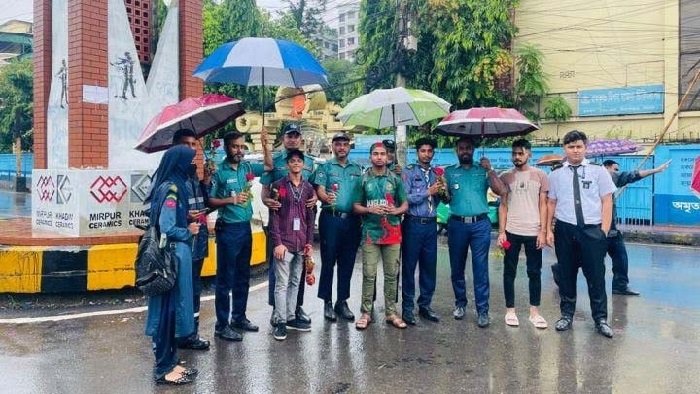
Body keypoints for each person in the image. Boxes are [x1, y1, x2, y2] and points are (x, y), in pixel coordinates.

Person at [546, 130, 617, 338]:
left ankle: (601, 319)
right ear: (564, 149)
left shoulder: (598, 171)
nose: (575, 150)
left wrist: (603, 231)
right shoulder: (556, 174)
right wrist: (549, 229)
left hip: (592, 231)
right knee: (566, 274)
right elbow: (551, 202)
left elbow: (607, 200)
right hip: (565, 230)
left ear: (585, 148)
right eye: (571, 147)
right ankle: (566, 315)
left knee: (596, 276)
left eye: (578, 146)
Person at [144, 145, 200, 385]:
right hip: (173, 258)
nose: (192, 165)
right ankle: (163, 368)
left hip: (172, 256)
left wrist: (185, 217)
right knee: (168, 311)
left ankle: (170, 361)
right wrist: (187, 230)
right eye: (189, 161)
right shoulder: (172, 189)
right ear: (179, 164)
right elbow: (166, 227)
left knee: (171, 308)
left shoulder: (166, 186)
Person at [208, 132, 267, 342]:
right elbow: (211, 200)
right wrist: (230, 200)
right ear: (226, 148)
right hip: (228, 230)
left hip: (245, 228)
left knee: (243, 277)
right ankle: (221, 325)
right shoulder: (219, 172)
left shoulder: (246, 168)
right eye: (235, 147)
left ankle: (239, 317)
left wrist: (265, 144)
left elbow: (269, 168)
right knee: (225, 280)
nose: (239, 151)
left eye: (242, 147)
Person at [444, 137, 507, 328]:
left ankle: (482, 310)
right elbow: (445, 198)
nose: (465, 151)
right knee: (457, 268)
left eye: (468, 148)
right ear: (456, 150)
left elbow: (501, 191)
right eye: (462, 148)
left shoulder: (482, 171)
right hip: (457, 224)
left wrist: (490, 169)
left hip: (480, 225)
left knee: (480, 269)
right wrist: (442, 190)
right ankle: (460, 304)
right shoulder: (449, 172)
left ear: (473, 150)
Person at [261, 123, 317, 326]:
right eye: (289, 136)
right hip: (281, 224)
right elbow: (265, 193)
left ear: (300, 138)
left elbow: (314, 189)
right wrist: (269, 201)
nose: (292, 139)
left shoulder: (309, 162)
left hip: (302, 225)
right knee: (279, 275)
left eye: (296, 136)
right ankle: (278, 312)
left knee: (297, 273)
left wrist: (315, 199)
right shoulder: (274, 161)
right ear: (283, 138)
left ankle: (294, 309)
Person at [352, 142, 409, 330]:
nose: (379, 157)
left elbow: (405, 205)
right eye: (375, 154)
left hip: (392, 233)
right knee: (369, 274)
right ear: (370, 157)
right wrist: (369, 208)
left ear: (387, 157)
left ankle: (391, 312)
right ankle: (366, 312)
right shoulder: (363, 180)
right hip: (370, 233)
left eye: (382, 154)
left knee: (391, 275)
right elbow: (355, 206)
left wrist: (395, 211)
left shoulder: (395, 179)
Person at [310, 132, 363, 322]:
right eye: (338, 144)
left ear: (349, 147)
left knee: (347, 262)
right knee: (329, 261)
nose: (341, 147)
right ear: (332, 146)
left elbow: (363, 192)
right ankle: (327, 302)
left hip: (352, 221)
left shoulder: (357, 169)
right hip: (331, 219)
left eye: (345, 144)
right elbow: (319, 189)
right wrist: (325, 197)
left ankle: (342, 301)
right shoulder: (325, 167)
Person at [497, 139, 549, 329]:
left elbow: (543, 205)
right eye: (514, 153)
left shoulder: (540, 175)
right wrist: (501, 232)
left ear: (529, 154)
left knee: (534, 272)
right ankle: (510, 310)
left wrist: (543, 231)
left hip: (533, 232)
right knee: (509, 272)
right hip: (511, 232)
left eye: (520, 153)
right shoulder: (505, 177)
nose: (516, 157)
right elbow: (502, 206)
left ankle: (534, 312)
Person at [602, 159, 670, 296]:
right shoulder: (606, 175)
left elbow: (631, 176)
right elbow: (633, 175)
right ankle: (561, 271)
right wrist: (655, 170)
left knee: (621, 257)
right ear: (607, 167)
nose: (617, 172)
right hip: (597, 229)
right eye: (615, 169)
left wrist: (655, 170)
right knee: (585, 259)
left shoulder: (610, 179)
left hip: (612, 230)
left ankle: (620, 286)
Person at [169, 129, 211, 351]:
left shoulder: (194, 174)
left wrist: (208, 182)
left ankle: (190, 332)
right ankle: (176, 333)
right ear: (175, 147)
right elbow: (162, 214)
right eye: (186, 144)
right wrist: (185, 218)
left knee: (194, 289)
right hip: (181, 242)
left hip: (199, 239)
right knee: (179, 289)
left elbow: (205, 205)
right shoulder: (169, 175)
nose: (192, 149)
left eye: (195, 144)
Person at [400, 137, 444, 325]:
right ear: (417, 152)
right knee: (409, 267)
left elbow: (441, 200)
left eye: (429, 151)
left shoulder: (437, 173)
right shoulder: (408, 172)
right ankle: (408, 308)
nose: (426, 154)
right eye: (423, 151)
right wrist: (428, 192)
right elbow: (405, 198)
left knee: (429, 266)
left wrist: (442, 191)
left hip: (430, 224)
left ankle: (425, 305)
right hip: (413, 223)